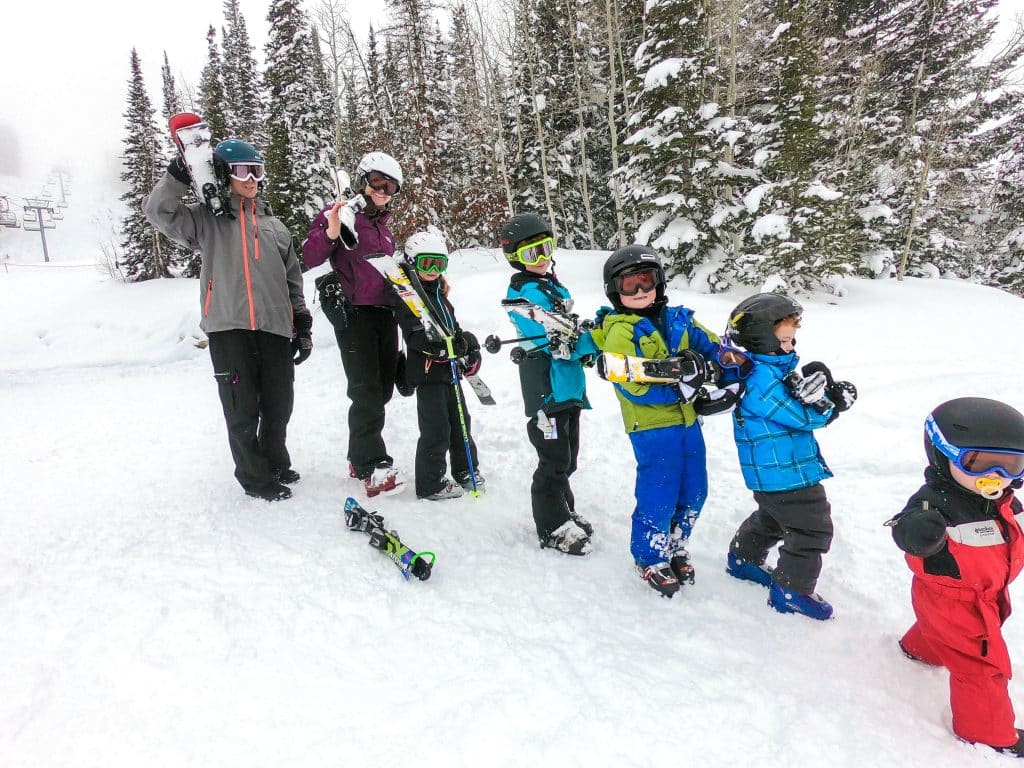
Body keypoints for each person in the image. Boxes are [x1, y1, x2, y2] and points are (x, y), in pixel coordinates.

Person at [143, 135, 311, 502]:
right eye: (241, 171)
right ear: (224, 175)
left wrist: (301, 322)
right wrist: (178, 175)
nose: (251, 179)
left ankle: (274, 460)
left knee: (279, 404)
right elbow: (158, 211)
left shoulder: (276, 227)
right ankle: (255, 478)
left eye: (257, 170)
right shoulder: (207, 221)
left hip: (275, 328)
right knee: (242, 409)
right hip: (228, 328)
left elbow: (292, 279)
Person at [594, 245, 749, 598]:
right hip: (651, 427)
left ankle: (676, 542)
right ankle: (650, 554)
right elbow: (633, 388)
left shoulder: (679, 319)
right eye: (629, 285)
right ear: (615, 291)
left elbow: (711, 344)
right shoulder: (621, 331)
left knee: (695, 488)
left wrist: (729, 360)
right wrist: (682, 392)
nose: (640, 291)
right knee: (659, 490)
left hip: (688, 422)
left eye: (646, 280)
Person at [888, 397, 1024, 756]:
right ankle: (988, 733)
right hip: (956, 600)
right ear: (942, 454)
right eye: (978, 463)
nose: (997, 476)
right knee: (983, 667)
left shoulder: (1001, 499)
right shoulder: (935, 504)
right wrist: (920, 533)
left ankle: (921, 649)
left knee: (946, 634)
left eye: (1012, 464)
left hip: (984, 592)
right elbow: (908, 531)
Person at [723, 292, 856, 619]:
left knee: (773, 518)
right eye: (784, 340)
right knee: (812, 529)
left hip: (775, 473)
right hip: (787, 473)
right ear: (762, 339)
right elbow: (804, 416)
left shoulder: (771, 372)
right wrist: (833, 406)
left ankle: (744, 558)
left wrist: (821, 392)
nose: (790, 347)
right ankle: (792, 590)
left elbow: (801, 401)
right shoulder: (762, 381)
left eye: (792, 339)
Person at [303, 152, 405, 497]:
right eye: (379, 182)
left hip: (384, 314)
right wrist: (331, 231)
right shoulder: (342, 216)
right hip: (354, 314)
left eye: (391, 187)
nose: (384, 191)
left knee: (384, 388)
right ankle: (369, 463)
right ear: (364, 180)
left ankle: (356, 455)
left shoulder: (385, 231)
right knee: (366, 391)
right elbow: (309, 255)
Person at [502, 213, 598, 555]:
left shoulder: (552, 285)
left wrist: (586, 340)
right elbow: (559, 339)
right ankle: (552, 526)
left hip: (568, 388)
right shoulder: (524, 297)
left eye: (546, 249)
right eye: (532, 254)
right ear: (515, 257)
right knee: (553, 459)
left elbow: (570, 332)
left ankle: (564, 510)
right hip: (546, 389)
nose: (542, 259)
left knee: (567, 459)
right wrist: (593, 340)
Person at [392, 230, 484, 500]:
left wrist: (468, 345)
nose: (433, 270)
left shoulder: (441, 297)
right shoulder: (410, 301)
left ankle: (466, 470)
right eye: (426, 264)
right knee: (436, 429)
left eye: (439, 264)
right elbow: (414, 335)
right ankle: (430, 482)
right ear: (412, 263)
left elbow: (454, 330)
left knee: (461, 424)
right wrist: (441, 348)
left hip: (450, 373)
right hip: (428, 374)